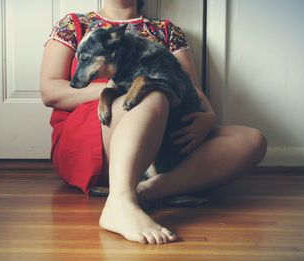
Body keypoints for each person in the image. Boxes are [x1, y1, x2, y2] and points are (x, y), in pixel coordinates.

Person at [40, 0, 267, 244]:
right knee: (153, 92)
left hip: (160, 135)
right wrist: (115, 89)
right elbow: (51, 91)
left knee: (252, 140)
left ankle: (145, 192)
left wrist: (208, 118)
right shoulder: (73, 24)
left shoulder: (167, 30)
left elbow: (189, 87)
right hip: (95, 131)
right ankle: (119, 203)